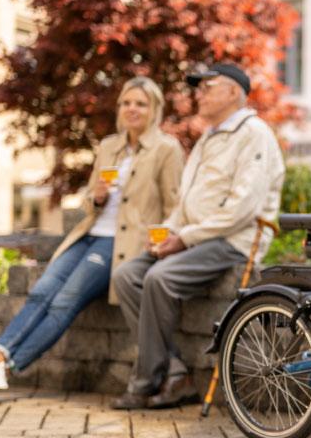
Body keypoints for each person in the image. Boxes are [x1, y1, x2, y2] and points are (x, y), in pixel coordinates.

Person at [0, 77, 184, 392]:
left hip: (123, 245)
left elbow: (174, 204)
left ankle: (6, 366)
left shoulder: (166, 149)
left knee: (65, 300)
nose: (132, 109)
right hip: (88, 234)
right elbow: (86, 201)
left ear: (154, 109)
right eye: (126, 102)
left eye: (140, 103)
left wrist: (161, 244)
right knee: (43, 290)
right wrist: (96, 197)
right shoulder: (110, 145)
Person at [109, 63, 285, 410]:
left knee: (159, 278)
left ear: (234, 92)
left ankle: (145, 382)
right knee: (127, 276)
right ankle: (175, 372)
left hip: (233, 242)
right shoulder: (208, 136)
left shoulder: (254, 134)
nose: (198, 94)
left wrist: (184, 238)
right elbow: (187, 200)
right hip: (194, 238)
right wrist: (169, 231)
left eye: (208, 87)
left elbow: (241, 210)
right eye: (198, 88)